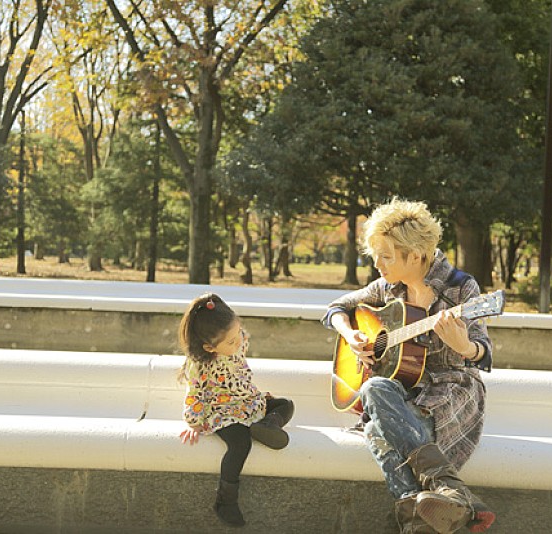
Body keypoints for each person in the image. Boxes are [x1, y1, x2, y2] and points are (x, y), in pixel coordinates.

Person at [322, 198, 495, 534]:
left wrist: (464, 346)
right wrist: (352, 334)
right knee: (373, 386)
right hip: (402, 395)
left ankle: (417, 517)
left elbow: (484, 353)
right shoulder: (388, 288)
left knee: (375, 429)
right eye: (376, 254)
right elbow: (335, 309)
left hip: (449, 393)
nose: (378, 263)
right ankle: (450, 493)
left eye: (386, 256)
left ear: (414, 255)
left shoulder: (460, 288)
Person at [178, 293, 295, 527]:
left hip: (248, 404)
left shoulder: (237, 341)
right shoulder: (201, 365)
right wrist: (194, 423)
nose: (238, 342)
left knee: (286, 404)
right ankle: (226, 500)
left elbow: (240, 375)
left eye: (238, 334)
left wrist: (255, 396)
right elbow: (195, 395)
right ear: (209, 347)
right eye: (231, 342)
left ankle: (267, 425)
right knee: (240, 443)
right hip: (222, 413)